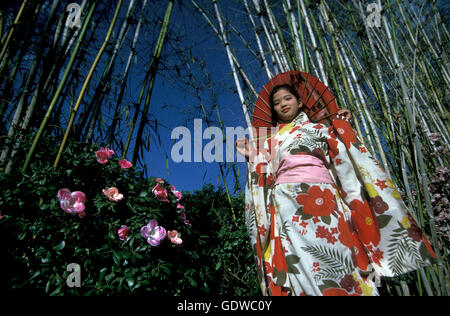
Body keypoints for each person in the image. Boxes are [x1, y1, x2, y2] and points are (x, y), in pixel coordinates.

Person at [235, 84, 436, 296]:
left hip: (324, 197)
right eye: (277, 103)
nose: (283, 104)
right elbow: (265, 171)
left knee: (338, 251)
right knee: (301, 258)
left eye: (287, 98)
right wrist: (251, 156)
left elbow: (342, 158)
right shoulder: (270, 141)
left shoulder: (320, 129)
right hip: (287, 205)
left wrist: (342, 125)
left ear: (300, 102)